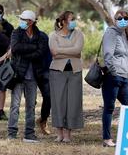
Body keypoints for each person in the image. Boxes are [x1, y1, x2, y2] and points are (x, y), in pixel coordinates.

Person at [7, 10, 48, 143]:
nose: (21, 21)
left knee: (31, 105)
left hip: (34, 76)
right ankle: (11, 133)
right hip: (18, 75)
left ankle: (29, 134)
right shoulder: (16, 32)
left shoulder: (41, 36)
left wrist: (24, 52)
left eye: (24, 19)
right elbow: (15, 47)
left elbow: (41, 52)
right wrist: (32, 48)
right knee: (15, 105)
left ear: (30, 22)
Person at [101, 9, 128, 147]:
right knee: (109, 108)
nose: (123, 20)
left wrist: (126, 72)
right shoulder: (111, 33)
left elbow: (127, 57)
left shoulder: (124, 35)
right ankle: (107, 139)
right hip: (112, 77)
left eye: (125, 18)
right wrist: (114, 72)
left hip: (123, 78)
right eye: (120, 18)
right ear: (115, 20)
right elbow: (108, 55)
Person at [49, 11, 85, 142]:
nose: (74, 21)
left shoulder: (79, 34)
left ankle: (68, 134)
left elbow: (78, 50)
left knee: (73, 102)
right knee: (58, 102)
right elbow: (53, 51)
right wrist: (71, 52)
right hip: (57, 72)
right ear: (63, 22)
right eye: (72, 19)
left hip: (75, 71)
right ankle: (59, 133)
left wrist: (60, 51)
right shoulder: (53, 35)